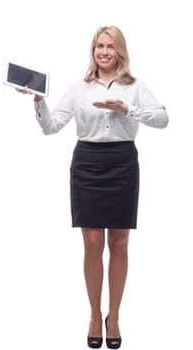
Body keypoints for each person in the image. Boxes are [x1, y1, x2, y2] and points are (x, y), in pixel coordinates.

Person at [17, 25, 166, 350]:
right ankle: (94, 316)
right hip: (88, 164)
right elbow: (51, 127)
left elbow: (162, 118)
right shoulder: (79, 87)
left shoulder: (135, 86)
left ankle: (114, 316)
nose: (104, 52)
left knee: (120, 241)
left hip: (123, 162)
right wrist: (39, 103)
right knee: (93, 242)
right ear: (93, 50)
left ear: (120, 51)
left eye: (110, 46)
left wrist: (127, 109)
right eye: (99, 45)